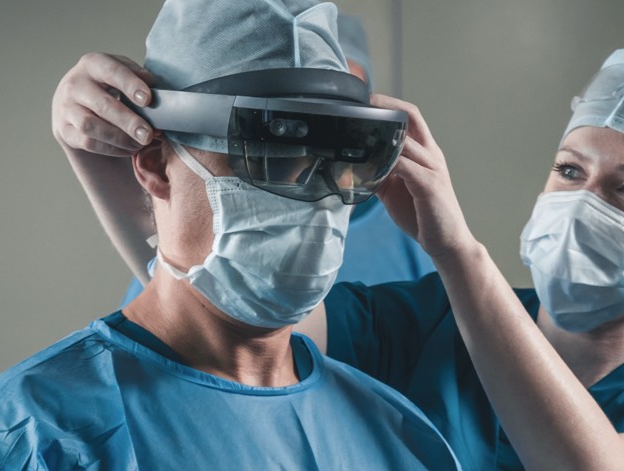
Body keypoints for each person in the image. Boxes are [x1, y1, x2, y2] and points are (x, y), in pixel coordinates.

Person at [53, 43, 624, 469]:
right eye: (569, 171)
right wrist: (103, 155)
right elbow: (220, 310)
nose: (585, 202)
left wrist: (454, 248)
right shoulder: (427, 321)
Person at [0, 1, 460, 469]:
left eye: (336, 159)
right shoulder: (32, 437)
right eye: (273, 154)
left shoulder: (392, 431)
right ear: (155, 164)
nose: (316, 199)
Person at [116, 13, 434, 306]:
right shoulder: (214, 264)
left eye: (340, 104)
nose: (319, 126)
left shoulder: (401, 233)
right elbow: (185, 319)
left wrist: (456, 250)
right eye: (289, 120)